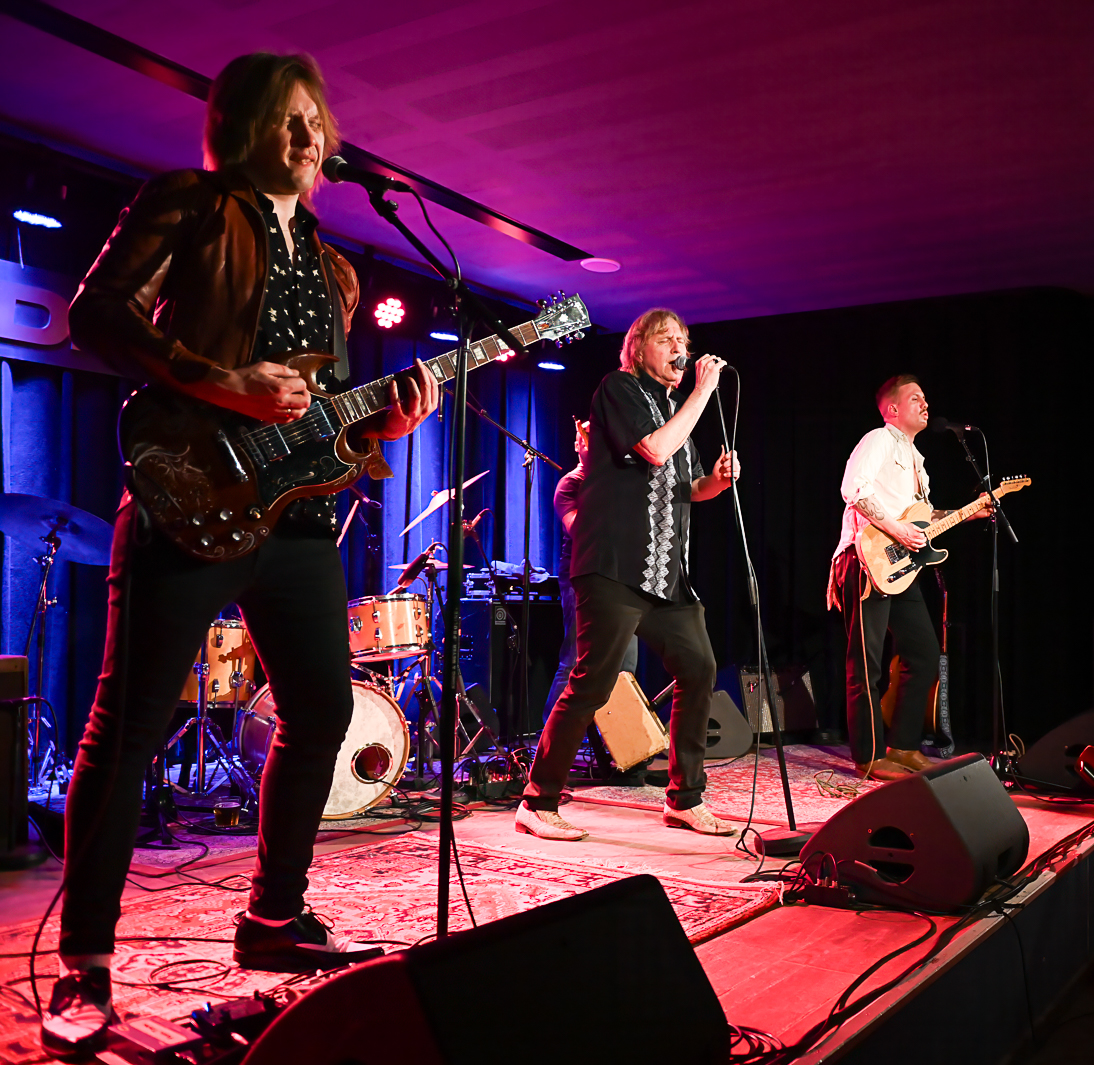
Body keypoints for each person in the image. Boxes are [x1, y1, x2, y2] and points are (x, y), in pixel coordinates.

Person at [46, 52, 438, 1058]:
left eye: (318, 118)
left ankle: (273, 916)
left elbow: (316, 416)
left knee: (321, 712)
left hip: (295, 525)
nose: (311, 135)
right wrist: (220, 381)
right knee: (126, 730)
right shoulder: (190, 202)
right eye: (289, 117)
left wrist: (384, 426)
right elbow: (98, 314)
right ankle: (85, 961)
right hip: (188, 496)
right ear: (242, 126)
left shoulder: (336, 266)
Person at [515, 309, 739, 841]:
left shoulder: (675, 410)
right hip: (615, 566)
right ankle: (537, 800)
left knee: (699, 668)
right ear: (638, 349)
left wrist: (717, 481)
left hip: (666, 574)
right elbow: (655, 451)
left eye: (684, 340)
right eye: (667, 339)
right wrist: (703, 392)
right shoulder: (618, 389)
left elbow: (689, 489)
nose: (680, 349)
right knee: (593, 682)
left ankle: (685, 799)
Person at [827, 374, 989, 781]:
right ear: (893, 409)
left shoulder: (917, 459)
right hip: (865, 561)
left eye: (925, 397)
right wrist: (897, 530)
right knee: (866, 664)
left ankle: (903, 745)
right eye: (915, 398)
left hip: (900, 568)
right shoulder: (878, 440)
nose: (925, 403)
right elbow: (854, 490)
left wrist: (969, 512)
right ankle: (869, 756)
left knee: (923, 653)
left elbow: (923, 518)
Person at [544, 418, 638, 721]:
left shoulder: (616, 479)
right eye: (588, 438)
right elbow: (580, 530)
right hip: (581, 576)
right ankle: (551, 735)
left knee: (625, 663)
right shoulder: (570, 484)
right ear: (578, 444)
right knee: (577, 658)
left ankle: (618, 740)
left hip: (619, 577)